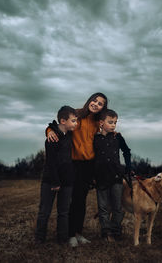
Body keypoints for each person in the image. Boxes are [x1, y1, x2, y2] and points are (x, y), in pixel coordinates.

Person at [46, 92, 108, 247]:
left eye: (100, 103)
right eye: (94, 100)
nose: (96, 104)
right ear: (89, 101)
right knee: (71, 201)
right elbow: (57, 125)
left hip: (89, 165)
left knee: (81, 200)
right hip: (73, 163)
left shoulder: (97, 122)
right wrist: (49, 131)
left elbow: (107, 132)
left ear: (102, 108)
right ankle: (70, 235)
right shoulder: (77, 114)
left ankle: (78, 233)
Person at [35, 106, 78, 245]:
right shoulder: (52, 138)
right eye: (73, 121)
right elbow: (51, 163)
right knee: (44, 211)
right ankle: (39, 239)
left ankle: (62, 239)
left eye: (76, 120)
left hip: (67, 181)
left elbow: (52, 125)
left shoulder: (70, 135)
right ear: (63, 121)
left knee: (64, 212)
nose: (76, 123)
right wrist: (55, 182)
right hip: (50, 180)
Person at [93, 109, 132, 242]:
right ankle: (106, 232)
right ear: (101, 123)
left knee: (117, 207)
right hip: (101, 177)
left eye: (115, 122)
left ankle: (116, 231)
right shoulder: (95, 139)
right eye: (110, 122)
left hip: (116, 177)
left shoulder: (118, 137)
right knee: (103, 207)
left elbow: (127, 151)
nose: (113, 125)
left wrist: (129, 167)